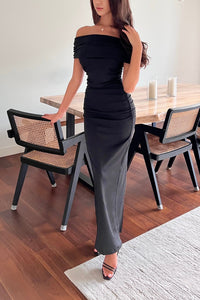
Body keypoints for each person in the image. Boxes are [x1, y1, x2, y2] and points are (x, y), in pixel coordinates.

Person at [43, 0, 149, 280]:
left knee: (107, 181)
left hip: (119, 115)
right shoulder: (82, 32)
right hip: (94, 113)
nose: (98, 1)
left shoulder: (126, 36)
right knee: (105, 179)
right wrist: (61, 111)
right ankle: (110, 237)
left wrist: (137, 47)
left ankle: (110, 248)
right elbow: (76, 78)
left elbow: (128, 86)